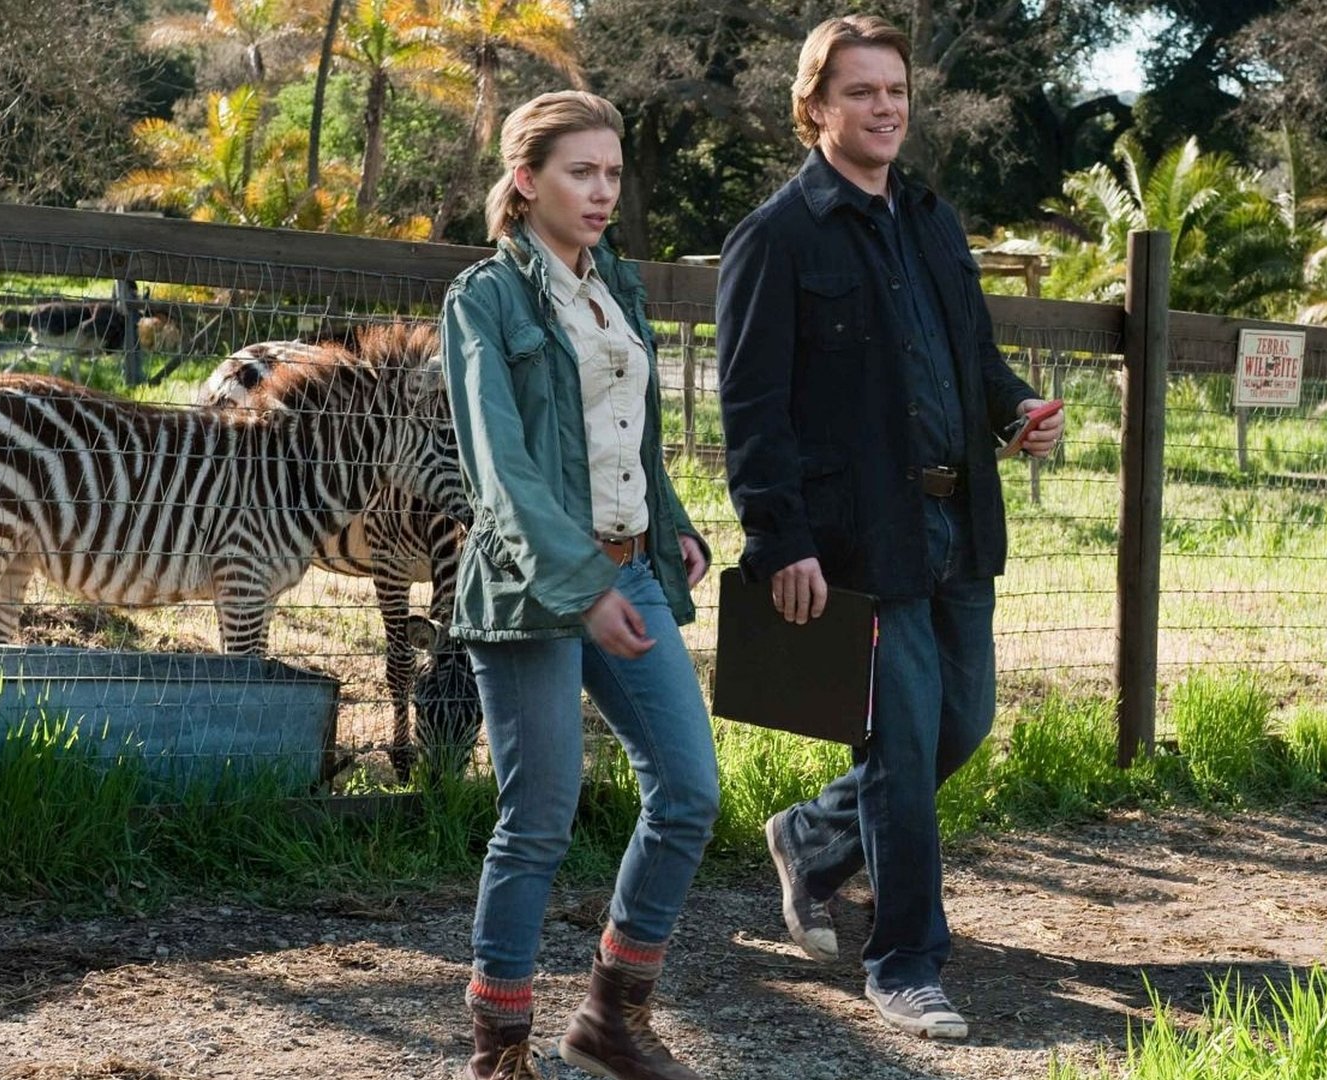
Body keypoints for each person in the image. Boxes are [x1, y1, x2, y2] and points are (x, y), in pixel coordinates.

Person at [714, 13, 1065, 1041]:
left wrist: (1012, 412)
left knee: (966, 722)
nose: (884, 108)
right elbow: (751, 408)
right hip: (859, 538)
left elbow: (973, 354)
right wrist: (779, 540)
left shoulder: (930, 219)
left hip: (957, 525)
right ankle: (904, 962)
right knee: (906, 751)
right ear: (815, 107)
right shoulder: (775, 238)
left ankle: (816, 838)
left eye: (896, 91)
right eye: (861, 92)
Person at [442, 89, 717, 1080]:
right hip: (530, 587)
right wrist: (577, 588)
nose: (603, 192)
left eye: (611, 173)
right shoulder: (486, 299)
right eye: (580, 173)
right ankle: (500, 1049)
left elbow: (631, 434)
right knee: (541, 817)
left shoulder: (618, 288)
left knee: (688, 790)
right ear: (526, 182)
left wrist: (672, 530)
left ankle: (611, 1013)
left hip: (629, 568)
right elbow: (501, 471)